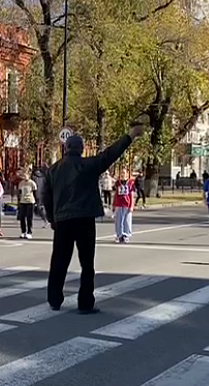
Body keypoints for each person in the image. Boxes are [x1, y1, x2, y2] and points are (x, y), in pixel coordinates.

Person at [43, 124, 145, 314]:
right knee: (87, 264)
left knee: (59, 261)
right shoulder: (88, 165)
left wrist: (52, 218)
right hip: (84, 218)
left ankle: (54, 299)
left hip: (63, 221)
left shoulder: (54, 170)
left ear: (66, 148)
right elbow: (109, 155)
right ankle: (85, 303)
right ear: (81, 149)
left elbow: (46, 196)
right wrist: (130, 136)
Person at [113, 168, 135, 243]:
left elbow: (131, 195)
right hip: (119, 204)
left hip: (127, 205)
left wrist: (131, 206)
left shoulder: (130, 183)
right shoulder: (117, 183)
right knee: (118, 221)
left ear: (127, 174)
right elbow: (116, 194)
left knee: (127, 221)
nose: (123, 174)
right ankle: (119, 235)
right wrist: (113, 205)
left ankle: (126, 235)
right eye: (121, 173)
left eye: (124, 173)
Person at [17, 170, 37, 239]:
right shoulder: (21, 183)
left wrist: (36, 202)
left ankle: (29, 232)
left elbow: (35, 193)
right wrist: (18, 202)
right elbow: (19, 193)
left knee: (29, 218)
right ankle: (23, 232)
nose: (24, 177)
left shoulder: (32, 183)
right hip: (23, 202)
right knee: (22, 217)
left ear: (29, 176)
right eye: (23, 176)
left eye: (26, 175)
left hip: (30, 201)